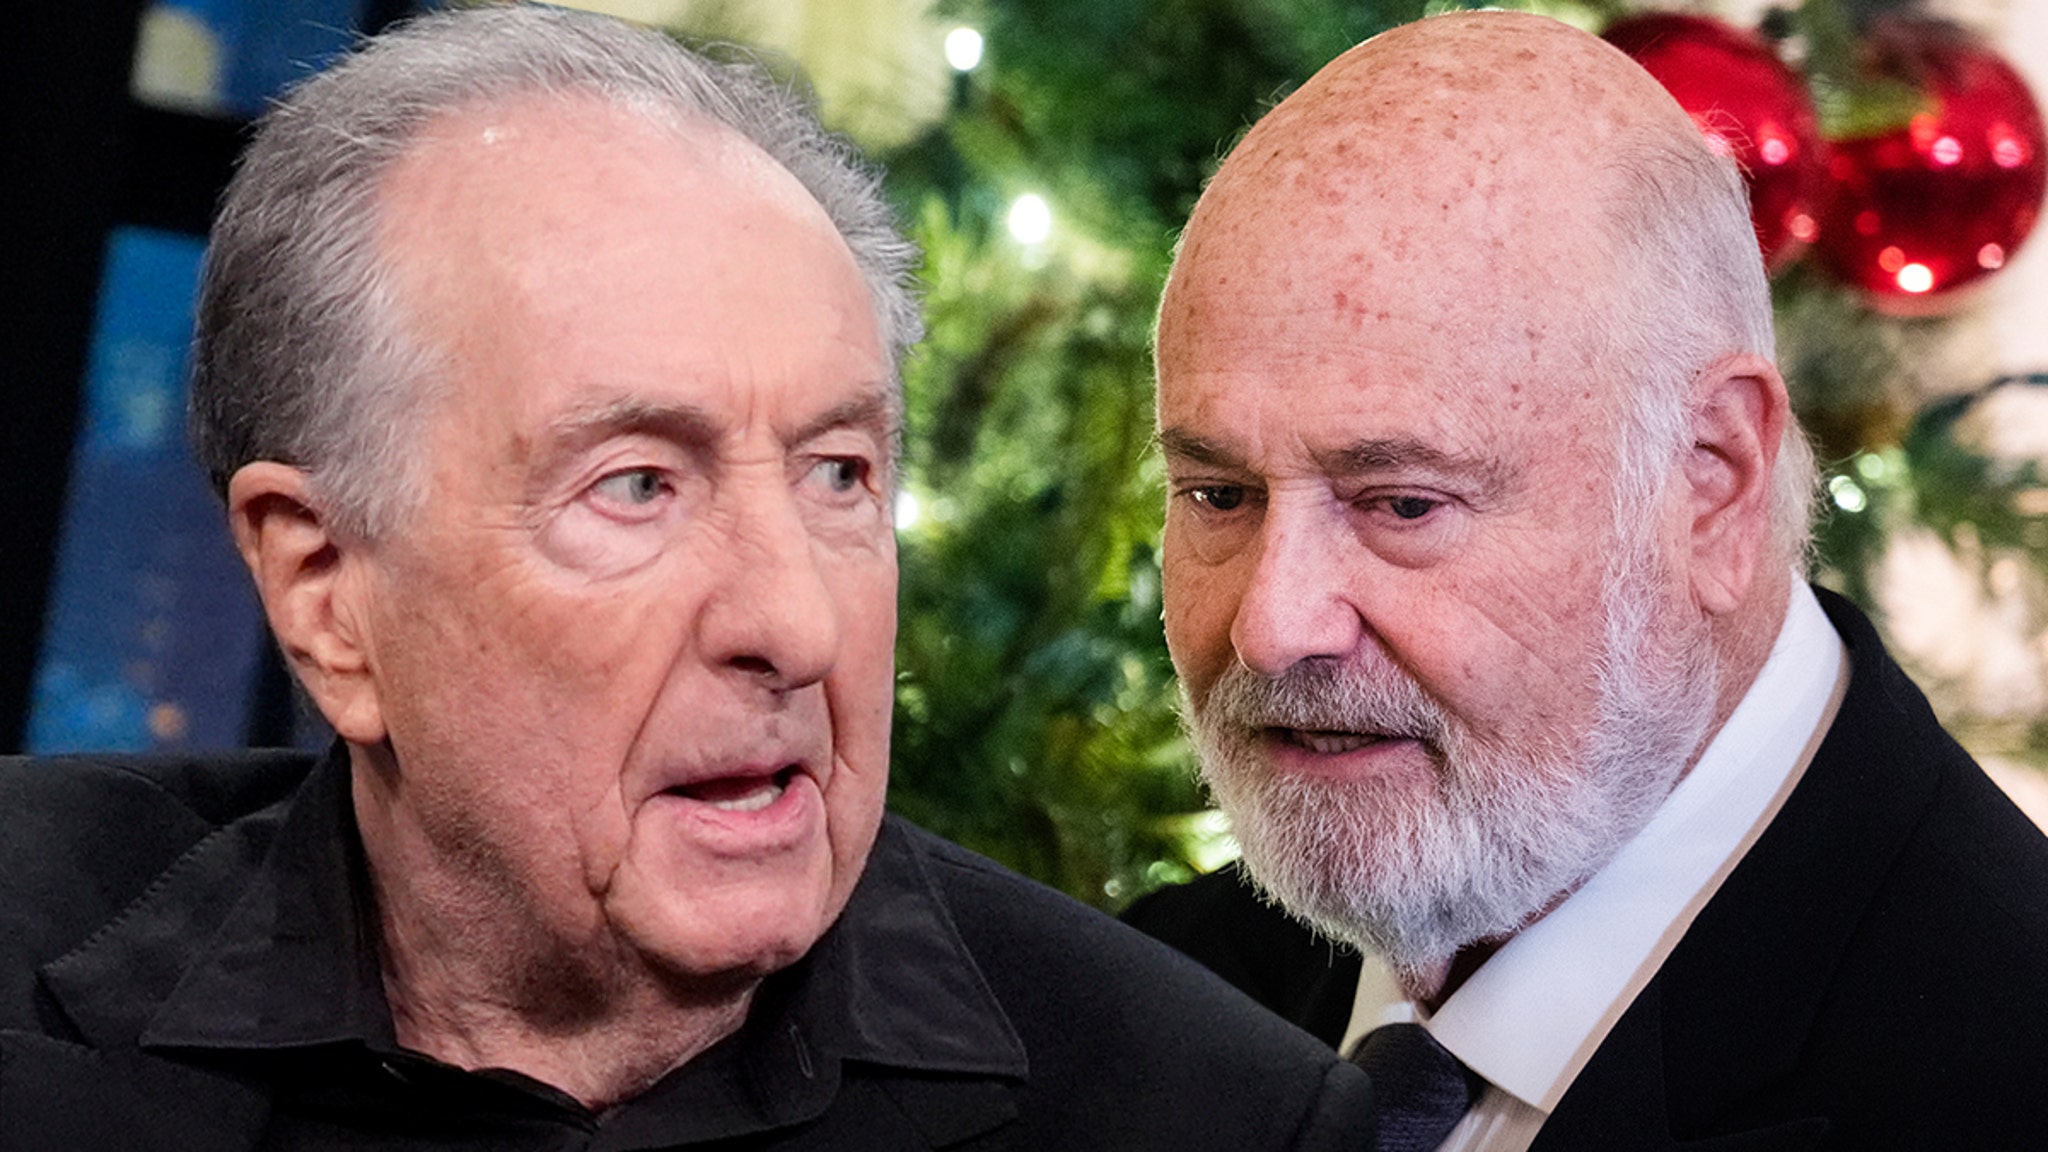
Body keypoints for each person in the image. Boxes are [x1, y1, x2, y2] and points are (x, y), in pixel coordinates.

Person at [0, 8, 1376, 1149]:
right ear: (326, 592)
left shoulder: (1211, 1117)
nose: (794, 624)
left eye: (838, 474)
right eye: (639, 486)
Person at [1129, 9, 2048, 1151]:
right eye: (1218, 495)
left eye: (1402, 503)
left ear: (1710, 479)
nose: (1272, 627)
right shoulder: (1137, 1003)